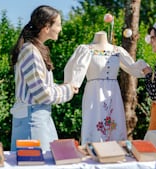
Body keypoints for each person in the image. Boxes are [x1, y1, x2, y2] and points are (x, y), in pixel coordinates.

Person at [9, 5, 78, 151]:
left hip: (39, 117)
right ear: (46, 27)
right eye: (58, 24)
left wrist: (65, 87)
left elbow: (43, 88)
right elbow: (42, 94)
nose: (60, 28)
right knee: (35, 164)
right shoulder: (30, 51)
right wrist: (68, 90)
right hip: (32, 120)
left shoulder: (36, 50)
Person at [64, 31, 148, 145]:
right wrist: (73, 83)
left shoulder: (117, 51)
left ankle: (115, 152)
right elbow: (76, 67)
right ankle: (93, 150)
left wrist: (145, 69)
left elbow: (131, 67)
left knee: (114, 123)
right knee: (94, 121)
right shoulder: (86, 49)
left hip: (113, 93)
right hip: (94, 93)